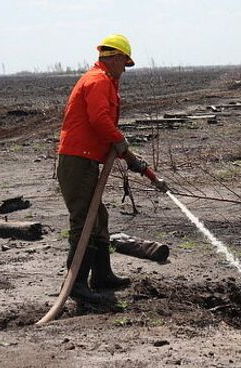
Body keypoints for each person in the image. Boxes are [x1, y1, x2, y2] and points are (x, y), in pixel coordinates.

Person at [56, 34, 168, 307]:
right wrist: (121, 143)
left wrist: (125, 152)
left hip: (85, 159)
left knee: (99, 218)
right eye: (124, 63)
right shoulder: (98, 81)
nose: (124, 70)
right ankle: (76, 285)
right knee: (85, 220)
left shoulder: (103, 80)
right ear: (116, 58)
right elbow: (99, 119)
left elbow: (101, 122)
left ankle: (102, 275)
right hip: (77, 160)